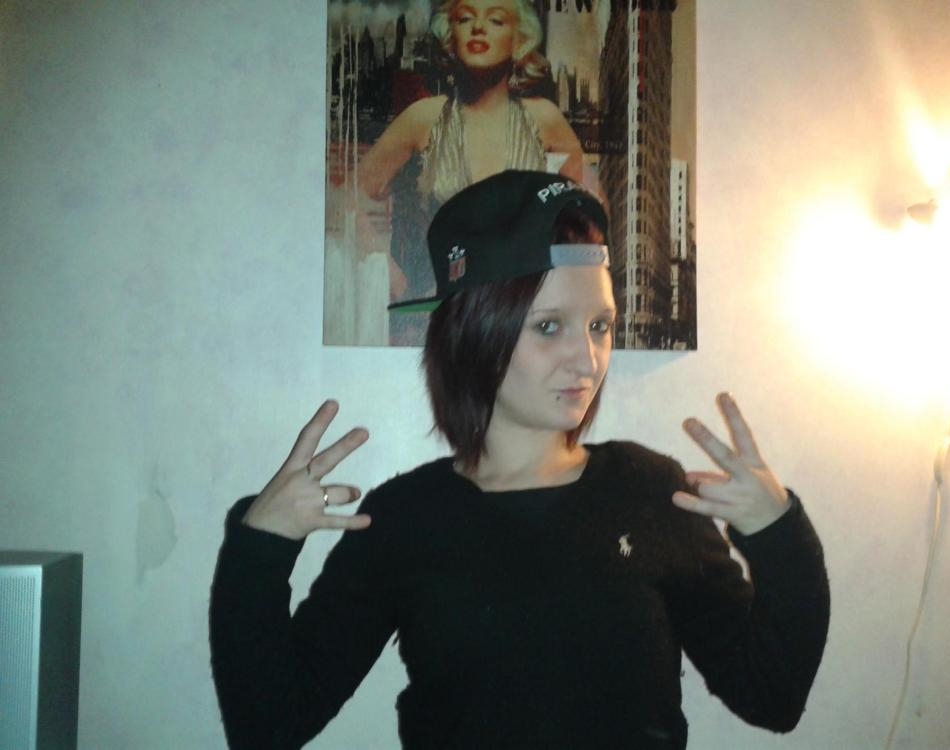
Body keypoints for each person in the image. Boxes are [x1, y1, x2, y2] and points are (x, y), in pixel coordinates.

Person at [210, 171, 830, 749]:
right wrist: (261, 546)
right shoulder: (405, 520)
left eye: (600, 325)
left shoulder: (649, 491)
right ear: (474, 331)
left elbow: (772, 696)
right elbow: (269, 725)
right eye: (549, 327)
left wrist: (777, 531)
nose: (587, 360)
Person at [351, 0, 602, 343]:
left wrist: (554, 287)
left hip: (520, 323)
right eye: (465, 18)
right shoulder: (423, 118)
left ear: (519, 40)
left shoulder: (544, 119)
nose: (478, 28)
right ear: (450, 37)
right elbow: (348, 198)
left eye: (496, 20)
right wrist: (392, 274)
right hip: (439, 320)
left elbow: (589, 213)